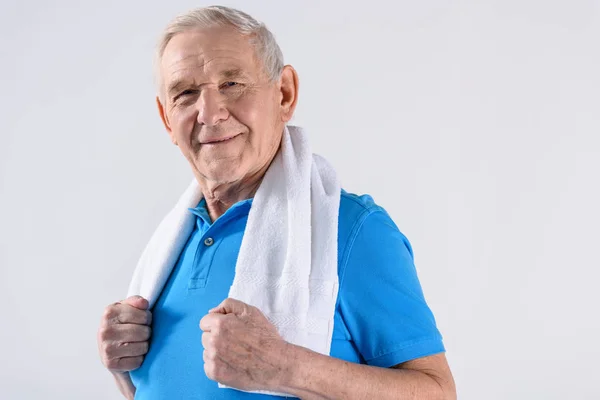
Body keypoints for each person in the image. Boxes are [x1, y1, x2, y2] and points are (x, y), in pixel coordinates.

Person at [97, 5, 456, 400]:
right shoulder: (166, 252)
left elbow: (437, 392)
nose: (210, 113)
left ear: (284, 94)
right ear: (167, 119)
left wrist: (286, 368)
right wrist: (125, 370)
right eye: (186, 93)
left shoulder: (350, 229)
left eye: (232, 84)